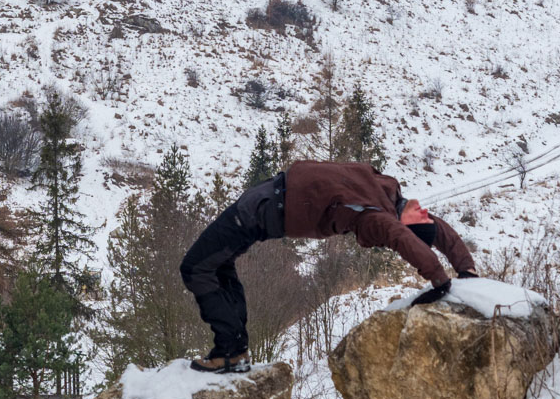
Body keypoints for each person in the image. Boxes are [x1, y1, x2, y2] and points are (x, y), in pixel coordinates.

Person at [180, 160, 479, 374]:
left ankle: (229, 354)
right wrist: (467, 271)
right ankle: (234, 351)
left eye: (422, 219)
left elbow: (403, 238)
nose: (426, 211)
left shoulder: (377, 219)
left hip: (258, 213)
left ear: (406, 226)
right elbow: (439, 229)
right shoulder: (390, 196)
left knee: (195, 268)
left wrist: (440, 280)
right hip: (264, 201)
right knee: (217, 267)